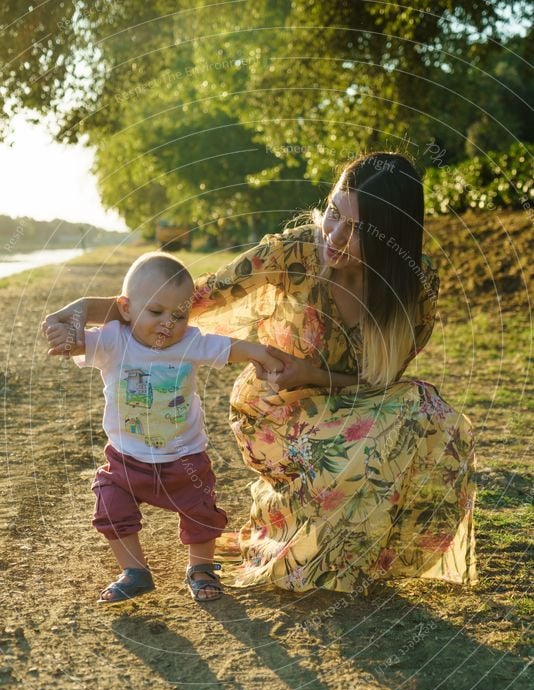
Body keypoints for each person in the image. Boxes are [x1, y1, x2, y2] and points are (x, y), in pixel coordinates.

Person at [43, 152, 477, 595]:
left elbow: (383, 380)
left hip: (352, 398)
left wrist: (314, 372)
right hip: (278, 404)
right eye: (333, 214)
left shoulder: (413, 282)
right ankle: (307, 540)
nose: (336, 236)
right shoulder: (294, 252)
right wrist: (86, 308)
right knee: (358, 450)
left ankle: (358, 543)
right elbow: (192, 298)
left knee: (426, 414)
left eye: (358, 230)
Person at [45, 251, 283, 603]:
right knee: (110, 504)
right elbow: (80, 343)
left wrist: (260, 353)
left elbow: (227, 347)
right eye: (155, 312)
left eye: (179, 315)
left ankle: (200, 568)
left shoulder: (190, 343)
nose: (168, 323)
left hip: (183, 457)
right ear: (126, 309)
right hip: (127, 459)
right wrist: (64, 336)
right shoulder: (114, 340)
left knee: (201, 511)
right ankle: (134, 571)